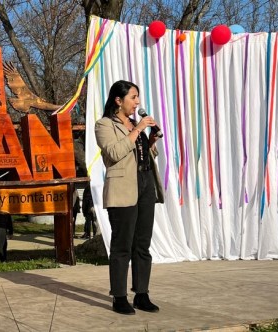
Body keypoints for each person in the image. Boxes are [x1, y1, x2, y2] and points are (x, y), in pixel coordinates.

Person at [94, 80, 164, 315]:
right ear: (118, 100)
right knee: (122, 245)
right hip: (123, 187)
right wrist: (137, 130)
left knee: (142, 244)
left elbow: (141, 154)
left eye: (137, 97)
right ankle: (119, 297)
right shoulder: (104, 124)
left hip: (145, 184)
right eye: (133, 97)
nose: (137, 102)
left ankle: (142, 294)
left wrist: (151, 139)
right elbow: (114, 153)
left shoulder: (136, 125)